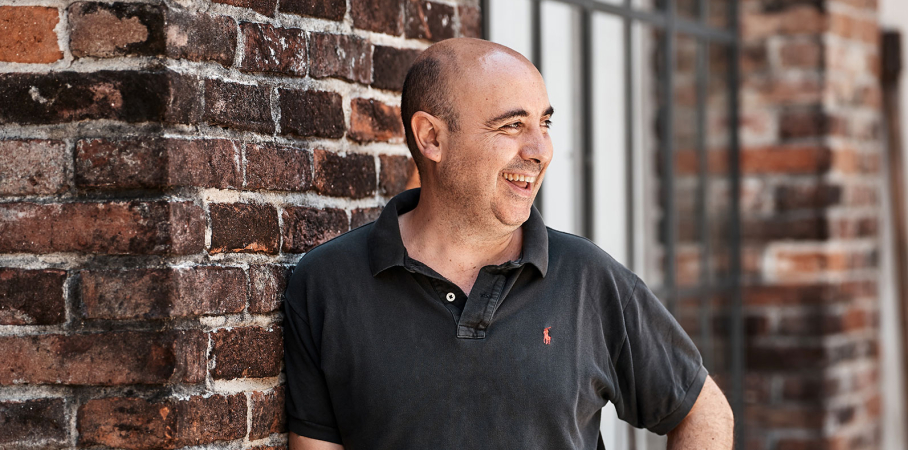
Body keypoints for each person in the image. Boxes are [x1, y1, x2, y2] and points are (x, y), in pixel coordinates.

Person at [283, 37, 734, 449]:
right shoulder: (328, 283)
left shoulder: (587, 277)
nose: (540, 149)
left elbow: (703, 412)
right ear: (432, 137)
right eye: (512, 125)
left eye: (545, 122)